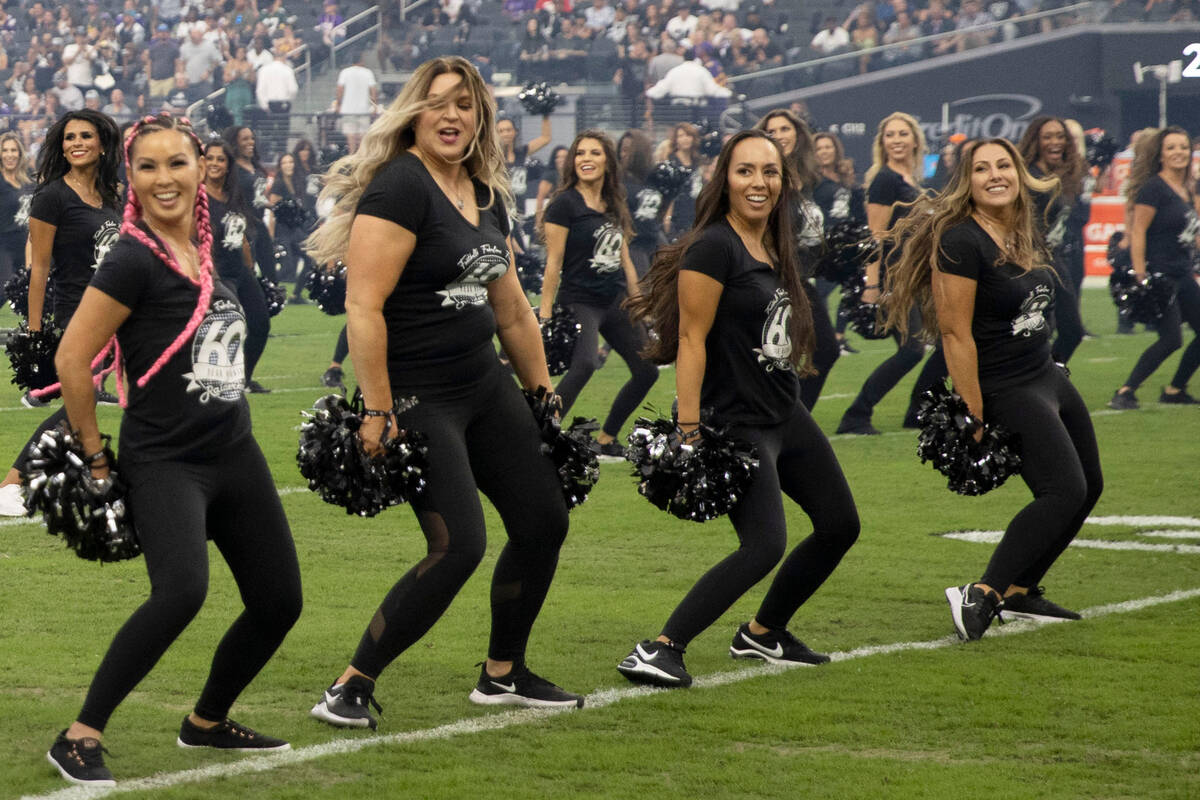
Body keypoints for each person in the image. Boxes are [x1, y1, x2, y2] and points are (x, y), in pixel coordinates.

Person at [305, 56, 582, 727]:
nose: (453, 115)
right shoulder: (401, 187)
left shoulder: (482, 192)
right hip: (418, 393)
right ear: (414, 114)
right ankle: (349, 685)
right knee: (458, 544)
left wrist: (543, 398)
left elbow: (512, 310)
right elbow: (363, 306)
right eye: (439, 103)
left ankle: (502, 674)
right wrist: (375, 407)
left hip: (483, 384)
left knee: (544, 520)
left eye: (466, 104)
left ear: (482, 117)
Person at [44, 112, 302, 787]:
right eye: (149, 166)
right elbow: (73, 359)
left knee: (279, 601)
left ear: (200, 168)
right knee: (181, 592)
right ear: (130, 177)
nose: (165, 178)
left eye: (177, 163)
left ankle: (207, 721)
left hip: (235, 451)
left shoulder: (206, 248)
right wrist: (97, 457)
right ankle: (78, 736)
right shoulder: (131, 257)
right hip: (166, 460)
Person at [618, 130, 860, 687]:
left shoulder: (776, 244)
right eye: (746, 171)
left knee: (840, 524)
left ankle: (764, 631)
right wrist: (688, 426)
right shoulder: (713, 246)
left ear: (784, 180)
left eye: (769, 172)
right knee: (764, 544)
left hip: (784, 410)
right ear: (725, 178)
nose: (759, 182)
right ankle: (660, 648)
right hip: (736, 418)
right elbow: (691, 340)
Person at [879, 138, 1102, 640]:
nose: (995, 175)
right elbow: (955, 333)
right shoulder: (960, 239)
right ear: (968, 181)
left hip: (1045, 373)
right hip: (1004, 385)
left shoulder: (1023, 228)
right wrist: (974, 411)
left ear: (1019, 173)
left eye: (1004, 165)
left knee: (1089, 487)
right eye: (982, 169)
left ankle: (1022, 590)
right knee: (1061, 491)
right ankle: (982, 591)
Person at [0, 111, 122, 518]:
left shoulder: (112, 196)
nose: (76, 143)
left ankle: (93, 479)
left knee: (101, 405)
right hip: (77, 314)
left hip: (118, 315)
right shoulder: (52, 196)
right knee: (75, 405)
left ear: (102, 144)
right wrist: (34, 333)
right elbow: (40, 267)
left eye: (86, 135)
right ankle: (13, 482)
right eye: (70, 137)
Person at [539, 130, 659, 459]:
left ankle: (606, 438)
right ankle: (543, 434)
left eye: (594, 153)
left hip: (614, 299)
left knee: (647, 370)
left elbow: (626, 262)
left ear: (607, 161)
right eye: (580, 153)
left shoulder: (613, 202)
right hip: (579, 300)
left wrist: (639, 306)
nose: (586, 159)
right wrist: (545, 315)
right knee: (585, 364)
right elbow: (553, 263)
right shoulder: (564, 203)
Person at [837, 111, 929, 435]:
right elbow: (873, 235)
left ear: (915, 139)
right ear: (882, 142)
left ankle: (917, 410)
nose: (897, 140)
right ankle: (857, 414)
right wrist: (872, 283)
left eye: (903, 134)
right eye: (890, 135)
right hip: (892, 276)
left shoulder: (911, 179)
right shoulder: (885, 179)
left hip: (913, 276)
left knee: (936, 346)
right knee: (912, 350)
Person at [1109, 126, 1200, 409]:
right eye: (1171, 147)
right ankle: (1125, 391)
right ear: (1160, 154)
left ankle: (1174, 389)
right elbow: (1138, 232)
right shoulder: (1153, 188)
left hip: (1183, 272)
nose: (1179, 153)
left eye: (1183, 147)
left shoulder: (1187, 189)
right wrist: (1141, 275)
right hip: (1160, 275)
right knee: (1171, 338)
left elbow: (1193, 233)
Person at [756, 109, 839, 410]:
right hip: (767, 279)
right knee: (770, 358)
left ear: (798, 135)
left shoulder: (808, 180)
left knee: (825, 350)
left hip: (799, 279)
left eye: (784, 129)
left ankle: (792, 421)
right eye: (771, 130)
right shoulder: (760, 178)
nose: (778, 135)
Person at [1017, 116, 1086, 364]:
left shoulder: (1063, 174)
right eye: (1048, 137)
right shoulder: (1028, 176)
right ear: (1035, 141)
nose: (1055, 142)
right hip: (1032, 263)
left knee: (1072, 332)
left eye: (1060, 136)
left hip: (1055, 261)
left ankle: (1049, 379)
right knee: (1034, 333)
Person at [204, 140, 271, 392]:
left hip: (240, 270)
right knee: (227, 328)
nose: (214, 163)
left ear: (228, 164)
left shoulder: (233, 195)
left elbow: (240, 231)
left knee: (260, 324)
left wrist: (250, 265)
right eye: (209, 158)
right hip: (217, 271)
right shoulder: (198, 197)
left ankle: (244, 378)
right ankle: (219, 380)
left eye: (220, 159)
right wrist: (210, 274)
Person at [812, 131, 866, 355]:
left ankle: (838, 337)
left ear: (836, 149)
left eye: (828, 147)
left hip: (847, 242)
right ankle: (822, 337)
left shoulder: (845, 176)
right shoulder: (812, 179)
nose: (824, 151)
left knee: (851, 289)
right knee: (821, 293)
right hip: (824, 243)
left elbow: (857, 208)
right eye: (819, 148)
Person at [0, 132, 33, 306]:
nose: (9, 155)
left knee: (26, 293)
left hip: (25, 244)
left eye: (13, 150)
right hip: (3, 244)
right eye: (5, 150)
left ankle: (32, 332)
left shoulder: (27, 181)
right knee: (3, 289)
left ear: (19, 154)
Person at [498, 113, 552, 220]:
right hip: (500, 210)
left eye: (508, 130)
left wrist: (545, 112)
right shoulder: (492, 157)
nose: (505, 134)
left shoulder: (521, 152)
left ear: (515, 132)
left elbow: (545, 138)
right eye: (501, 131)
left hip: (519, 210)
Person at [335, 52, 378, 154]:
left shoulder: (344, 72)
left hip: (348, 110)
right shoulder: (368, 72)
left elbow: (340, 89)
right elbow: (373, 90)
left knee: (351, 135)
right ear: (361, 60)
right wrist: (374, 105)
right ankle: (361, 156)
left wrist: (338, 104)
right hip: (363, 110)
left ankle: (352, 155)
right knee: (363, 135)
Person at [534, 144, 568, 229]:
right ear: (554, 159)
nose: (561, 159)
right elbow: (540, 198)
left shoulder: (573, 176)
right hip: (555, 215)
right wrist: (538, 221)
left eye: (564, 157)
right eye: (558, 157)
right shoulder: (550, 176)